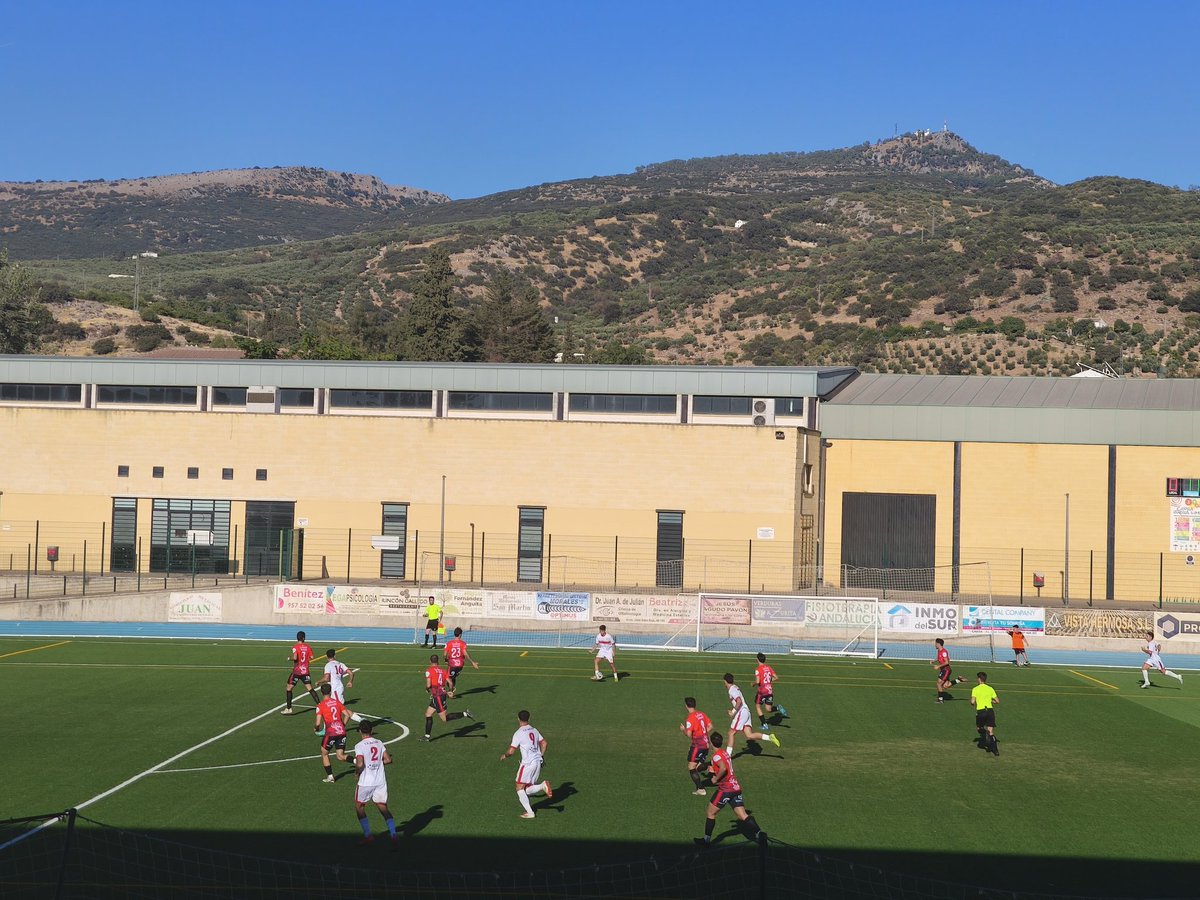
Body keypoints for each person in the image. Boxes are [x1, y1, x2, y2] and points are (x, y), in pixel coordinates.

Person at [694, 730, 765, 847]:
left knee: (710, 813)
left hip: (725, 789)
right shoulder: (724, 753)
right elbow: (723, 766)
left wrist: (715, 779)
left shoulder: (716, 756)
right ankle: (760, 834)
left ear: (711, 743)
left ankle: (706, 841)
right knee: (742, 815)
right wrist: (711, 769)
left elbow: (723, 768)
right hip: (735, 787)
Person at [500, 709, 553, 819]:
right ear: (529, 718)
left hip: (528, 764)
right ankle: (542, 786)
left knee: (519, 787)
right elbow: (544, 743)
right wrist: (541, 755)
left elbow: (511, 751)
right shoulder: (534, 730)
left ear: (518, 719)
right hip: (538, 762)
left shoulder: (518, 733)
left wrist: (505, 755)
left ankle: (530, 812)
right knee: (527, 789)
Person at [353, 720, 397, 846]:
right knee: (383, 808)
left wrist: (357, 772)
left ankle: (368, 835)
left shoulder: (359, 745)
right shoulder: (379, 743)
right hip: (380, 781)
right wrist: (376, 764)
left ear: (360, 731)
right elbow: (388, 760)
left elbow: (360, 763)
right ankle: (393, 834)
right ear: (371, 730)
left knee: (359, 807)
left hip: (366, 782)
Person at [421, 654, 473, 741]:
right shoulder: (443, 671)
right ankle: (427, 736)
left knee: (444, 719)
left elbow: (428, 684)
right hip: (440, 695)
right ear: (438, 662)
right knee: (428, 714)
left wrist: (427, 689)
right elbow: (451, 683)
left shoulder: (429, 671)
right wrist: (450, 691)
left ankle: (465, 713)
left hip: (438, 696)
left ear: (430, 661)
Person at [724, 673, 780, 750]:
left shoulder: (732, 690)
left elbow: (739, 701)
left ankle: (728, 757)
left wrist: (733, 712)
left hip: (742, 712)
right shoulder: (735, 687)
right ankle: (769, 737)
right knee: (749, 735)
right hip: (746, 712)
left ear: (725, 681)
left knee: (731, 733)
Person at [315, 683, 353, 782]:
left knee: (324, 753)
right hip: (341, 731)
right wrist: (343, 725)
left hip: (331, 733)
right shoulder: (337, 702)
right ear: (330, 691)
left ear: (321, 692)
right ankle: (356, 761)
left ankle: (330, 776)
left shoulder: (321, 705)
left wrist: (316, 729)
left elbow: (318, 723)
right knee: (340, 756)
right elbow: (348, 715)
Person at [283, 630, 322, 714]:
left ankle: (289, 708)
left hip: (297, 671)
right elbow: (311, 657)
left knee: (289, 688)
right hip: (305, 671)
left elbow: (295, 657)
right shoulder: (308, 647)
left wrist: (290, 658)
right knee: (309, 688)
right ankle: (320, 705)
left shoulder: (295, 647)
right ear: (304, 638)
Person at [681, 697, 713, 795]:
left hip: (697, 745)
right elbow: (710, 726)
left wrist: (683, 730)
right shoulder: (701, 714)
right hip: (706, 744)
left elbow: (689, 734)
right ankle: (711, 768)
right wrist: (703, 733)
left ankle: (701, 789)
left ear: (686, 706)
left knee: (691, 767)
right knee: (698, 766)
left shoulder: (690, 718)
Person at [752, 652, 788, 727]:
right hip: (769, 690)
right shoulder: (769, 668)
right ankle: (778, 707)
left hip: (762, 691)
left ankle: (764, 724)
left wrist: (753, 684)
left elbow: (758, 681)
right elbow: (776, 677)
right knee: (768, 709)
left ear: (757, 660)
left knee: (758, 706)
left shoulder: (758, 669)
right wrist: (768, 681)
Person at [970, 672, 1000, 756]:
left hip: (981, 711)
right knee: (991, 731)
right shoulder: (990, 688)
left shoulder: (975, 689)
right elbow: (997, 701)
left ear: (979, 679)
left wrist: (972, 703)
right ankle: (995, 751)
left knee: (979, 728)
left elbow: (972, 702)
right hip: (990, 711)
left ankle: (985, 734)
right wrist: (990, 701)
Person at [444, 627, 479, 697]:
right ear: (460, 635)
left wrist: (445, 660)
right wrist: (472, 662)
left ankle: (450, 692)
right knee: (452, 677)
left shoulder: (449, 643)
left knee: (448, 678)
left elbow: (445, 654)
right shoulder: (463, 643)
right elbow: (465, 654)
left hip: (452, 664)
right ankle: (452, 689)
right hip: (460, 665)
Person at [931, 638, 966, 703]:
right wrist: (934, 660)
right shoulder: (939, 650)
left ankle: (940, 700)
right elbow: (939, 658)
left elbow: (946, 662)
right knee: (945, 685)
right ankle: (959, 680)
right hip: (943, 670)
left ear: (938, 644)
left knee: (938, 684)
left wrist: (938, 666)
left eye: (935, 643)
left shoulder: (944, 652)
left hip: (946, 670)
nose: (934, 645)